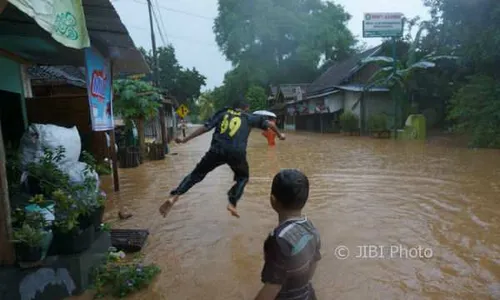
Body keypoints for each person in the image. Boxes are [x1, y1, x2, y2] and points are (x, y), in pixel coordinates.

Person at [159, 100, 286, 218]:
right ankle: (232, 203)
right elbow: (270, 124)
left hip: (216, 150)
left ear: (233, 106)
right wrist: (280, 135)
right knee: (243, 177)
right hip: (236, 153)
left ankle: (175, 196)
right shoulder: (249, 117)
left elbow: (205, 128)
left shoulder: (223, 113)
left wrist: (185, 140)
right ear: (246, 108)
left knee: (196, 174)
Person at [254, 169, 321, 300]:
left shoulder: (278, 239)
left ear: (272, 199)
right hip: (308, 295)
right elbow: (314, 262)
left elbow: (273, 286)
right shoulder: (310, 227)